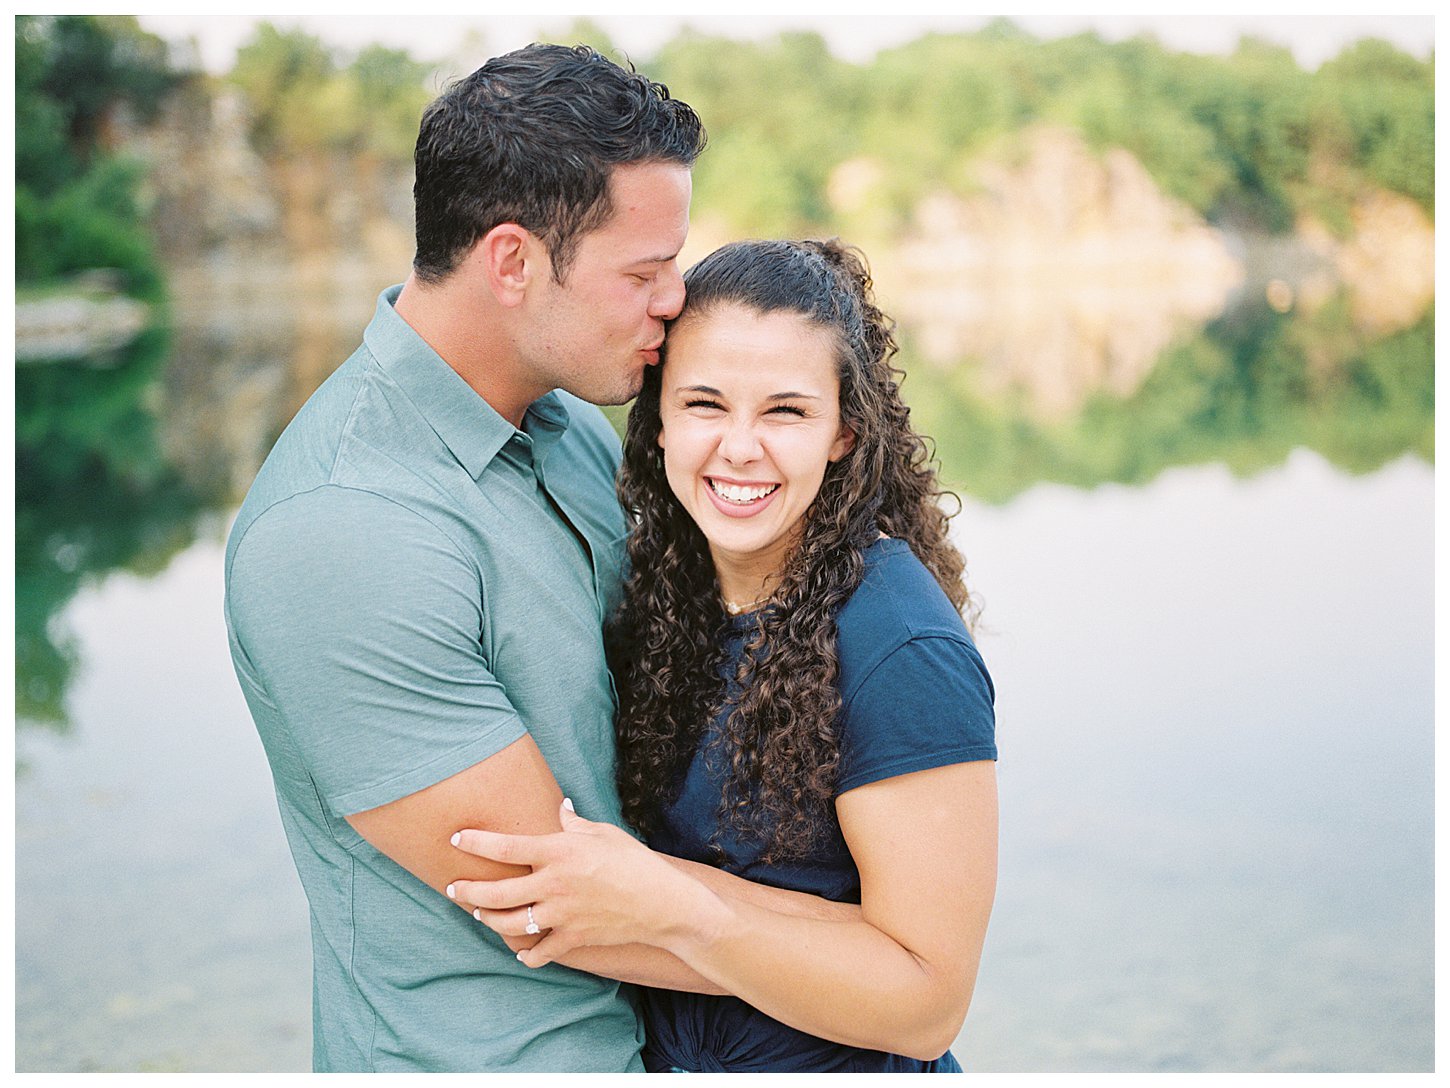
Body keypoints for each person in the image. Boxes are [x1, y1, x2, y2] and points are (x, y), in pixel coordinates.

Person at [225, 45, 857, 1073]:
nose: (675, 302)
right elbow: (561, 898)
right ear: (513, 261)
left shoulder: (563, 423)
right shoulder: (345, 529)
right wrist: (882, 951)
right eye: (645, 273)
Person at [446, 238, 999, 1072]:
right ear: (659, 420)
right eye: (705, 403)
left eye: (785, 411)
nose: (741, 448)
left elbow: (929, 1005)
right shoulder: (662, 594)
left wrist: (678, 909)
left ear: (844, 432)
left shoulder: (900, 645)